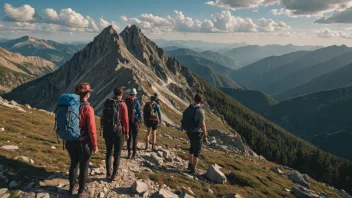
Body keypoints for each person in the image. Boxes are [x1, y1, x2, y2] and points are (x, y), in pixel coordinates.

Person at [67, 82, 98, 197]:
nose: (90, 93)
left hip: (70, 141)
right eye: (89, 91)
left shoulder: (70, 105)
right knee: (84, 167)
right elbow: (92, 130)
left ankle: (70, 190)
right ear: (87, 93)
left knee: (73, 164)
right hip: (83, 142)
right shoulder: (88, 108)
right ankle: (81, 192)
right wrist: (94, 145)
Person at [101, 87, 129, 181]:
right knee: (117, 153)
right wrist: (127, 132)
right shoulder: (123, 104)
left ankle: (108, 174)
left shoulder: (108, 102)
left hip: (108, 130)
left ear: (114, 93)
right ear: (121, 94)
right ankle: (114, 175)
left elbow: (103, 117)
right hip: (118, 131)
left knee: (109, 152)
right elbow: (125, 120)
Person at [183, 93, 208, 175]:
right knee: (197, 152)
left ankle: (190, 165)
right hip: (197, 133)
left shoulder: (190, 108)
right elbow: (203, 124)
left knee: (192, 147)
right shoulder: (200, 110)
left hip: (189, 132)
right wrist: (205, 135)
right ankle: (193, 169)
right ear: (201, 100)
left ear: (194, 99)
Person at [125, 88, 142, 159]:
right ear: (135, 94)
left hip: (128, 121)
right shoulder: (136, 102)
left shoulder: (126, 100)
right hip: (135, 121)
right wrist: (140, 120)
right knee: (135, 138)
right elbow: (139, 111)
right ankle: (134, 153)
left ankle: (129, 153)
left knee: (129, 137)